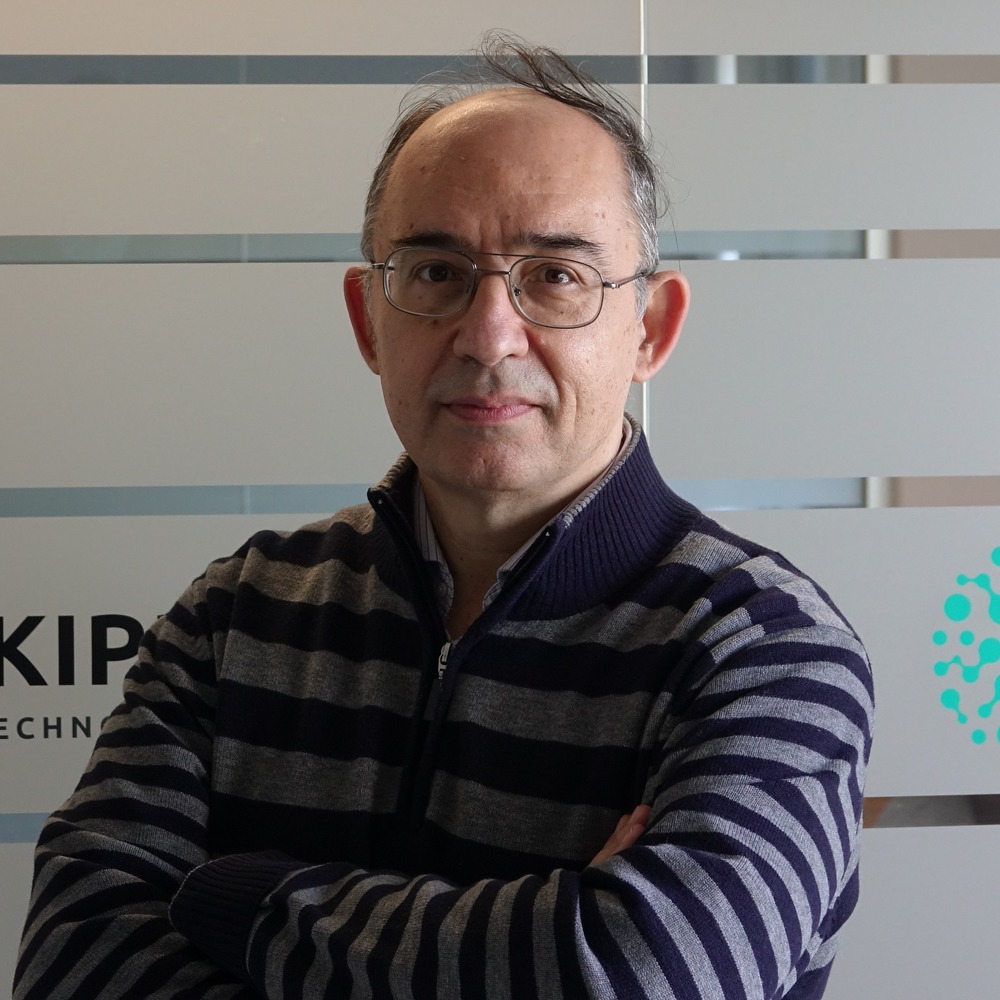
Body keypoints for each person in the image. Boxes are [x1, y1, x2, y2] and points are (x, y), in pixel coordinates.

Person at [14, 34, 873, 1000]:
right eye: (434, 272)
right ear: (366, 322)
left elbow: (645, 977)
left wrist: (240, 900)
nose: (489, 333)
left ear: (650, 329)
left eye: (556, 275)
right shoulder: (236, 615)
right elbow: (72, 961)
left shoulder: (765, 648)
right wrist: (545, 939)